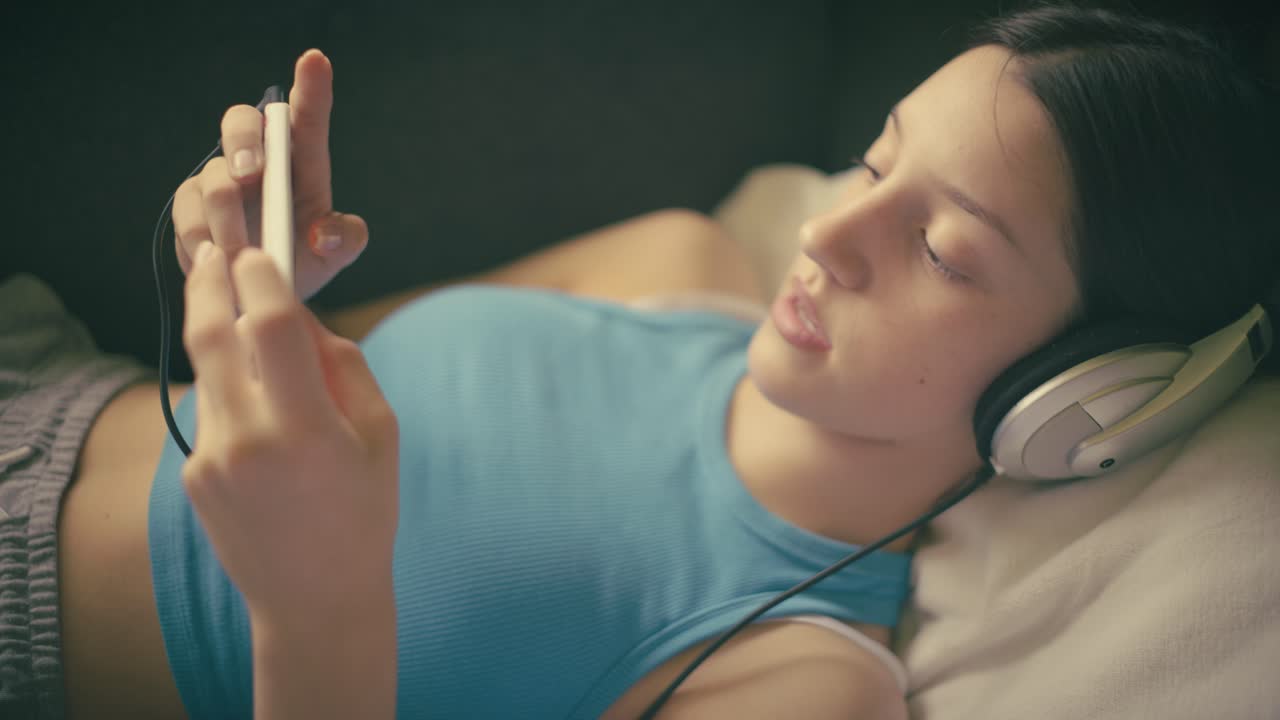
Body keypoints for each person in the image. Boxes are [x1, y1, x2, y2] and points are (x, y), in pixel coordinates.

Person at [2, 1, 1277, 718]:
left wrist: (313, 607)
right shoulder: (669, 259)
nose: (827, 231)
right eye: (877, 163)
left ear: (1081, 398)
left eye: (940, 249)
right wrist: (262, 291)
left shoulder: (791, 678)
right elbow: (266, 396)